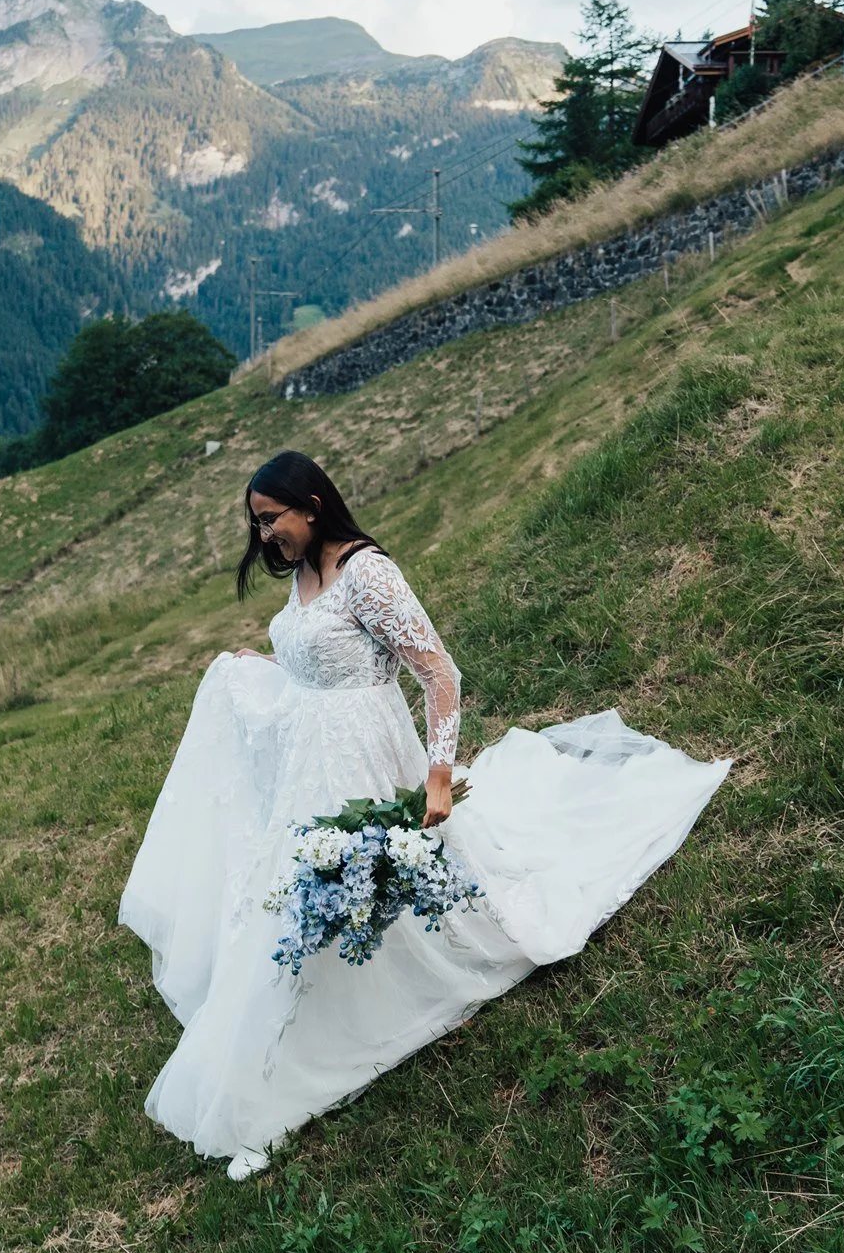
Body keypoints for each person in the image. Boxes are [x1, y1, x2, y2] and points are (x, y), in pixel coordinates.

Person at [119, 451, 729, 1180]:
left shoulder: (366, 573)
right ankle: (296, 1015)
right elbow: (322, 662)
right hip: (309, 761)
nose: (262, 538)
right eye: (255, 524)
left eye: (269, 520)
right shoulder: (307, 573)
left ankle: (339, 1017)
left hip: (364, 756)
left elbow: (438, 672)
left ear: (311, 505)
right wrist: (264, 667)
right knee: (299, 886)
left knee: (359, 874)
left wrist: (438, 775)